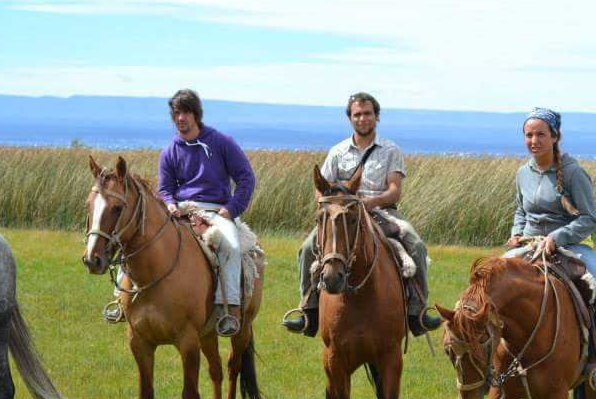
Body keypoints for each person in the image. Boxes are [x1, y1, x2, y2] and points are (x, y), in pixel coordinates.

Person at [282, 92, 440, 337]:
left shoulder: (390, 150)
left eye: (367, 114)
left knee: (416, 245)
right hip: (342, 214)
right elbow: (320, 188)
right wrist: (331, 205)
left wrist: (369, 202)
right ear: (350, 119)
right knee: (306, 248)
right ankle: (308, 311)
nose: (362, 119)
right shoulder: (337, 151)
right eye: (357, 114)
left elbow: (394, 190)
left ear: (376, 117)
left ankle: (417, 312)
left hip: (381, 211)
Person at [114, 89, 255, 336]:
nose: (181, 118)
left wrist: (230, 210)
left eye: (186, 112)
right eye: (177, 113)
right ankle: (119, 299)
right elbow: (165, 188)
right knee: (137, 239)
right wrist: (168, 202)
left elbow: (246, 178)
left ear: (196, 115)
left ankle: (228, 310)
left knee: (230, 245)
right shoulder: (170, 151)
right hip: (180, 211)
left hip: (214, 211)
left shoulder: (222, 142)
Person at [502, 107, 596, 392]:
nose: (534, 141)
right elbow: (521, 210)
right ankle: (489, 363)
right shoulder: (523, 173)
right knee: (485, 285)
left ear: (556, 136)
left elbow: (588, 220)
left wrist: (556, 237)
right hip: (529, 245)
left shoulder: (573, 172)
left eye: (541, 134)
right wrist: (516, 233)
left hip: (572, 246)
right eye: (529, 135)